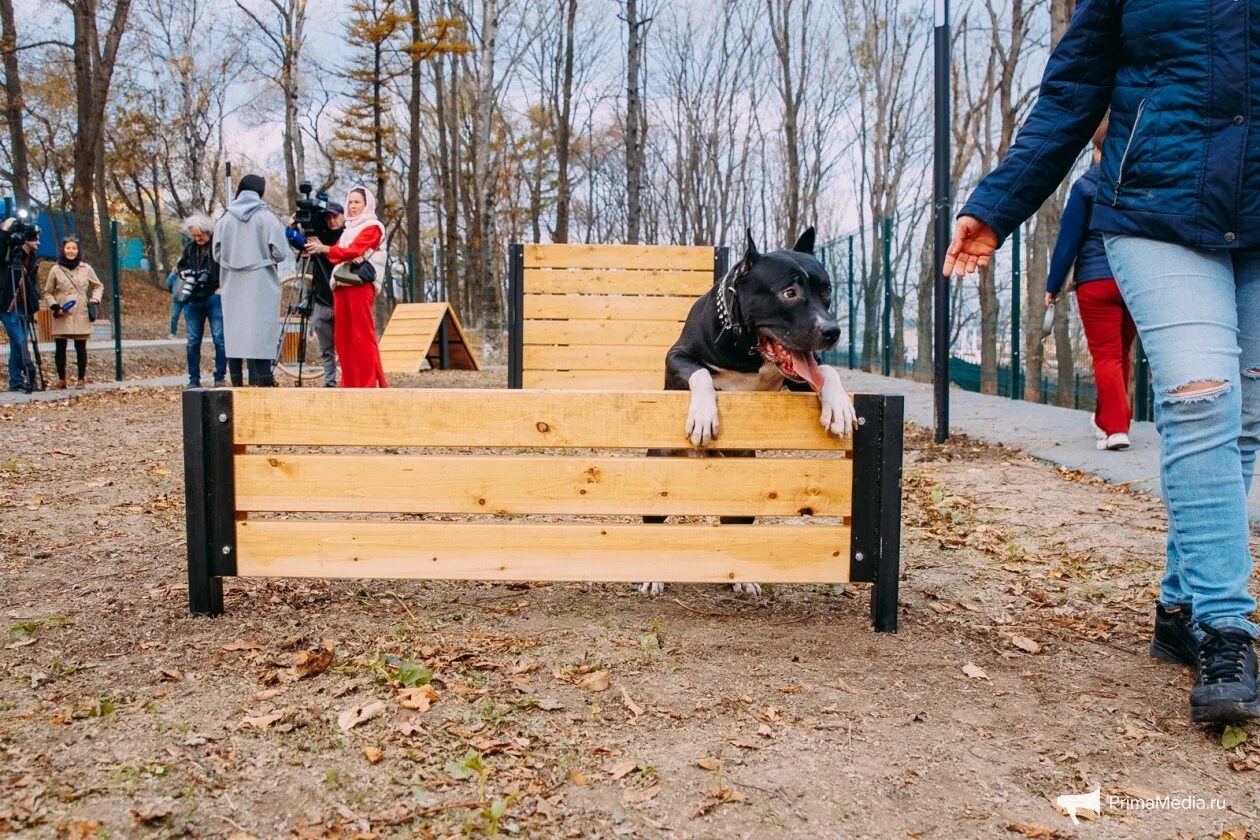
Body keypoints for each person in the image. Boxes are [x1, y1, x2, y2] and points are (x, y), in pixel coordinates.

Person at [944, 0, 1260, 723]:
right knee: (1201, 398)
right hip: (1155, 204)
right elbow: (1071, 93)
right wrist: (999, 203)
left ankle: (1181, 609)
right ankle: (1226, 627)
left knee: (1244, 420)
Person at [1045, 116, 1136, 452]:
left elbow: (1068, 242)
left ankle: (1115, 428)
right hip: (1133, 281)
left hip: (1096, 282)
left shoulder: (1085, 186)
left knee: (1105, 356)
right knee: (1120, 354)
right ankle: (1108, 419)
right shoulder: (1138, 186)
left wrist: (1052, 285)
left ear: (1096, 147)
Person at [304, 185, 388, 388]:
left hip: (359, 285)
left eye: (357, 202)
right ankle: (349, 382)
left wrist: (327, 249)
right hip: (341, 285)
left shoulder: (373, 227)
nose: (353, 206)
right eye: (350, 202)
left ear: (367, 204)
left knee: (362, 334)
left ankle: (368, 384)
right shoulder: (349, 228)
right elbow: (346, 252)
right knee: (342, 337)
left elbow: (354, 250)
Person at [214, 174, 287, 387]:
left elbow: (217, 253)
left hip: (232, 282)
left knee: (235, 332)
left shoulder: (225, 219)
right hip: (261, 282)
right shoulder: (267, 218)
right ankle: (263, 382)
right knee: (261, 332)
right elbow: (280, 252)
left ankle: (236, 382)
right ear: (260, 192)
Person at [41, 237, 103, 390]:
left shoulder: (86, 268)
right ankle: (62, 380)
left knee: (80, 345)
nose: (71, 251)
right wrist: (54, 306)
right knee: (60, 346)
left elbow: (98, 285)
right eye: (68, 248)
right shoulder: (55, 269)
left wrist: (95, 298)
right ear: (63, 250)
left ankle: (81, 379)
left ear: (78, 250)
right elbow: (47, 292)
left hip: (80, 309)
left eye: (74, 248)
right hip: (62, 310)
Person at [298, 202, 344, 387]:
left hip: (342, 298)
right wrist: (293, 227)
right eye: (328, 217)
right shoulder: (320, 235)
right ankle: (330, 382)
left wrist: (322, 248)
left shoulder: (347, 237)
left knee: (347, 347)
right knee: (326, 349)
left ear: (342, 216)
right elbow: (299, 242)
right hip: (322, 299)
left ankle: (348, 382)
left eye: (335, 217)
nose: (332, 221)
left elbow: (340, 255)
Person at [177, 214, 226, 388]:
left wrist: (220, 287)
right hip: (193, 299)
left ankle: (219, 377)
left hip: (213, 296)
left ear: (208, 232)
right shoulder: (189, 249)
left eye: (200, 235)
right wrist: (184, 273)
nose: (198, 239)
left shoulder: (217, 248)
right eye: (194, 235)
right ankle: (193, 379)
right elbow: (181, 266)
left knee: (219, 339)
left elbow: (225, 268)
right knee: (192, 341)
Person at [0, 217, 40, 392]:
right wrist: (5, 230)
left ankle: (15, 380)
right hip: (7, 303)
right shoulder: (8, 253)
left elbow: (31, 285)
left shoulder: (32, 259)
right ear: (26, 239)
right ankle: (29, 369)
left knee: (17, 343)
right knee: (20, 340)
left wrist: (32, 307)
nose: (38, 242)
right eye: (35, 238)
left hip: (23, 304)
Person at [166, 265, 185, 340]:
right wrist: (172, 273)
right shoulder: (175, 275)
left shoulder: (188, 273)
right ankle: (172, 333)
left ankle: (191, 333)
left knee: (188, 317)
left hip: (187, 298)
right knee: (174, 316)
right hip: (177, 298)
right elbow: (168, 282)